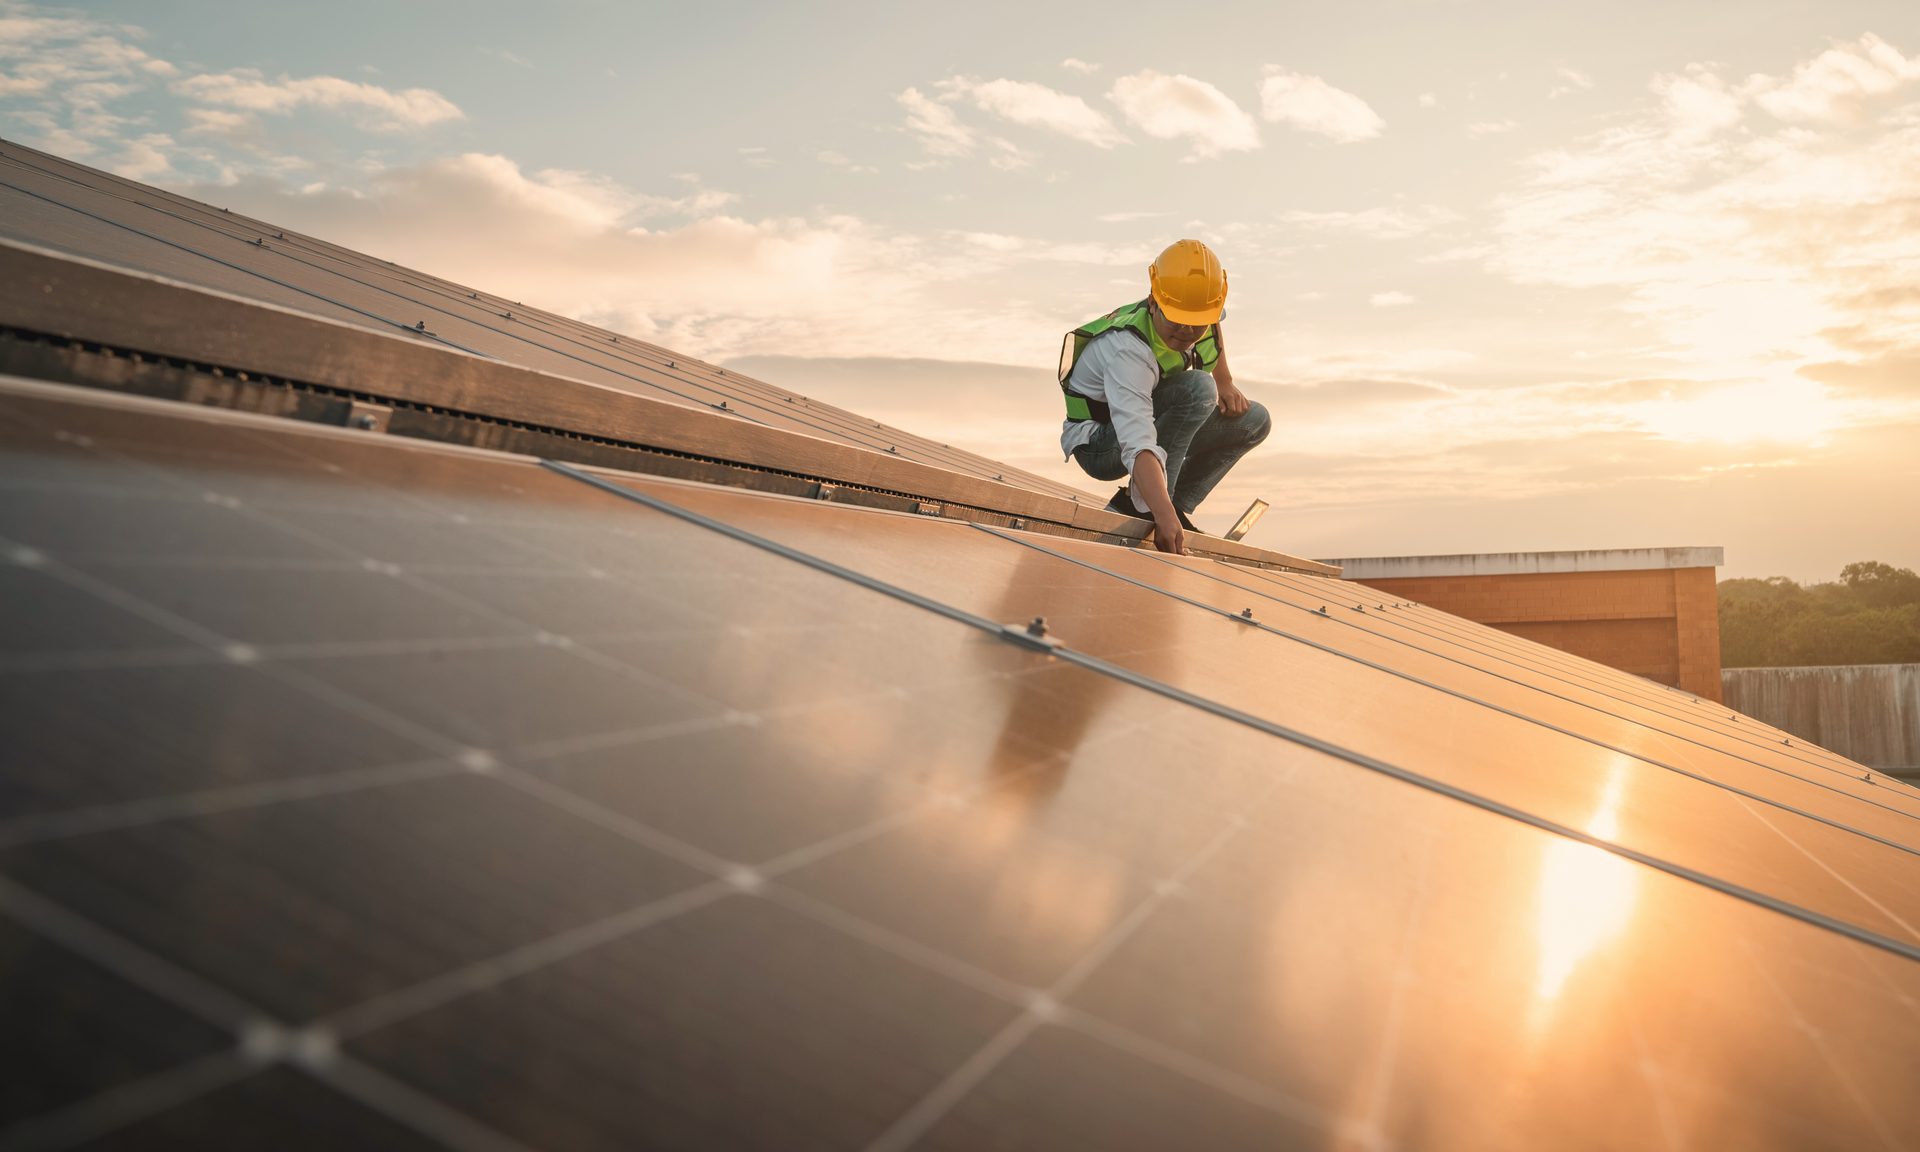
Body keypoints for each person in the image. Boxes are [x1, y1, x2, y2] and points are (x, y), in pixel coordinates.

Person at [1057, 239, 1271, 555]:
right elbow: (1136, 440)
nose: (1186, 330)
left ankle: (1178, 507)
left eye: (1196, 322)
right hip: (1100, 444)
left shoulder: (1197, 309)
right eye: (1176, 319)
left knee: (1254, 420)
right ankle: (1141, 504)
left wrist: (1225, 380)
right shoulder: (1128, 350)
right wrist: (1160, 513)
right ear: (1153, 302)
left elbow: (1213, 325)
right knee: (1197, 389)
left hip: (1149, 422)